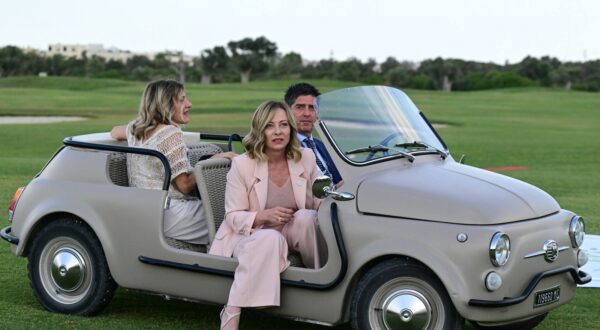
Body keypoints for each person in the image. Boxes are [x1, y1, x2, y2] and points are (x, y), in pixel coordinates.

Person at [209, 100, 322, 330]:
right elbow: (232, 216)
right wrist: (264, 216)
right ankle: (232, 309)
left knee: (307, 218)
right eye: (270, 126)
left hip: (291, 229)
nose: (278, 132)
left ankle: (318, 281)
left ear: (291, 128)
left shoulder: (306, 157)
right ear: (260, 130)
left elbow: (319, 200)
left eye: (283, 125)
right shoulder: (243, 165)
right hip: (251, 234)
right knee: (270, 238)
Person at [111, 79, 234, 245]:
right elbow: (184, 185)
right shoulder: (171, 134)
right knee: (233, 218)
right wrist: (215, 160)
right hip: (172, 214)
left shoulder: (135, 129)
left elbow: (114, 132)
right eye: (182, 100)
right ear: (165, 104)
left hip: (147, 211)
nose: (189, 104)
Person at [284, 82, 343, 187]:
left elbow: (340, 178)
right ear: (287, 111)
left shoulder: (323, 146)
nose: (307, 113)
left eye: (312, 108)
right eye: (300, 107)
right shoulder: (282, 148)